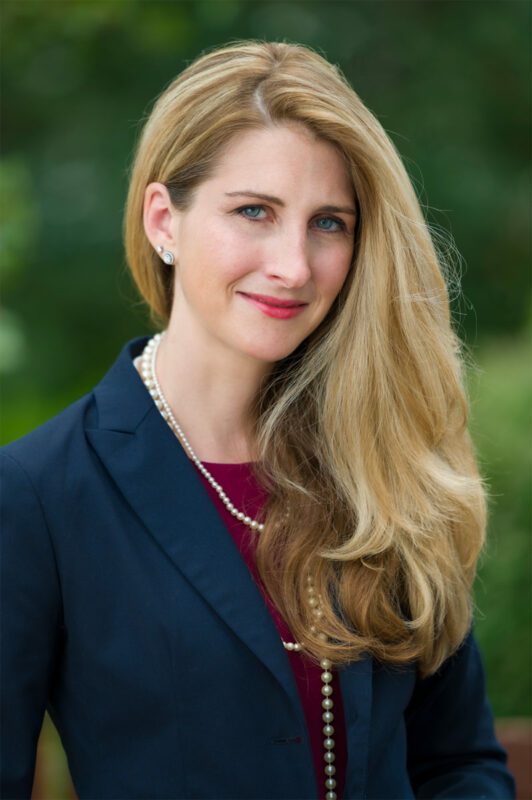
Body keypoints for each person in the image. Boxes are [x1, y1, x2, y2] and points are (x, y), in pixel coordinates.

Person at [0, 40, 515, 800]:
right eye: (254, 212)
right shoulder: (36, 493)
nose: (294, 266)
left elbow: (458, 763)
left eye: (329, 223)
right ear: (163, 221)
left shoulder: (386, 459)